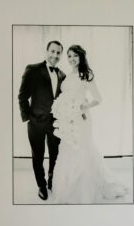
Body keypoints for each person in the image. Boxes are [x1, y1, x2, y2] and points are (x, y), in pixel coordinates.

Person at [49, 45, 126, 204]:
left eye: (75, 56)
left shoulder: (86, 74)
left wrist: (83, 107)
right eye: (69, 56)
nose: (71, 59)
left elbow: (98, 98)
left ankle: (83, 190)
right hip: (67, 119)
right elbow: (64, 96)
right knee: (67, 148)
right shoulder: (68, 75)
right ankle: (67, 188)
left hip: (81, 118)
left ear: (81, 57)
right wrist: (62, 111)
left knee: (81, 148)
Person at [18, 40, 66, 201]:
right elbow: (22, 96)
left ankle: (53, 181)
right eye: (52, 51)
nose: (55, 55)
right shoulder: (32, 70)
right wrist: (28, 118)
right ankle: (42, 186)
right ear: (46, 51)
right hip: (36, 123)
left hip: (55, 124)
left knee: (55, 155)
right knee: (37, 156)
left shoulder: (62, 75)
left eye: (58, 53)